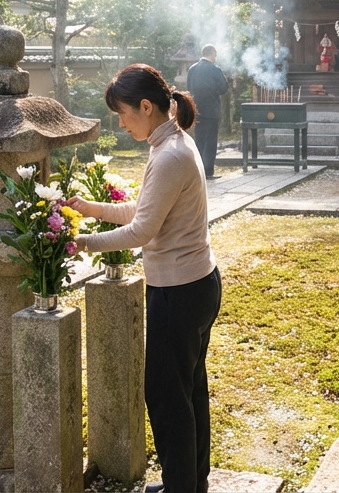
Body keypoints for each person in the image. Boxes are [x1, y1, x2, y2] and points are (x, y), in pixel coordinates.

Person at [67, 65, 220, 493]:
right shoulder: (170, 143)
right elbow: (144, 210)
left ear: (146, 107)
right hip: (192, 285)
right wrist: (91, 208)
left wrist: (80, 242)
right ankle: (190, 483)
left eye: (123, 113)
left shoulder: (170, 154)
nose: (121, 123)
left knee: (168, 398)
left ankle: (181, 487)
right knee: (187, 392)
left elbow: (141, 231)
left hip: (180, 291)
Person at [186, 44, 229, 181]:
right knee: (210, 142)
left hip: (197, 109)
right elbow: (223, 89)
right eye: (215, 55)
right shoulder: (215, 69)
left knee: (199, 140)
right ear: (213, 54)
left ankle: (197, 171)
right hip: (211, 111)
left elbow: (189, 88)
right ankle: (208, 171)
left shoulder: (192, 69)